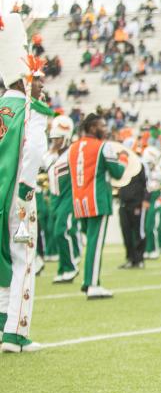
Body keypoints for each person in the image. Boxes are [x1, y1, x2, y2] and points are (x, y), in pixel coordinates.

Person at [0, 14, 53, 352]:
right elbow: (34, 151)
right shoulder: (32, 111)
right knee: (23, 261)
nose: (42, 83)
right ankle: (16, 331)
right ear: (25, 79)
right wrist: (26, 188)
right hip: (17, 195)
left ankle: (2, 322)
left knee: (1, 261)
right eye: (38, 77)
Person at [68, 113, 126, 298]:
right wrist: (123, 159)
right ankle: (92, 284)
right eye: (102, 125)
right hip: (98, 200)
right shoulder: (104, 146)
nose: (106, 129)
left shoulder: (73, 147)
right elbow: (117, 172)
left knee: (90, 242)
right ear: (93, 127)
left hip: (79, 201)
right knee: (95, 243)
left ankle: (90, 282)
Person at [46, 115, 81, 283]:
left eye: (58, 138)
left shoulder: (72, 153)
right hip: (55, 199)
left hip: (68, 197)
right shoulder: (53, 156)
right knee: (56, 233)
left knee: (62, 231)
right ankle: (63, 267)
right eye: (53, 138)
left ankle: (71, 267)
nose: (55, 141)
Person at [116, 144, 148, 269]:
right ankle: (130, 258)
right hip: (123, 203)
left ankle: (139, 259)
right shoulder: (122, 166)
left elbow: (147, 183)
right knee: (126, 232)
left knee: (138, 232)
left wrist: (145, 199)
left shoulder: (140, 165)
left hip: (136, 203)